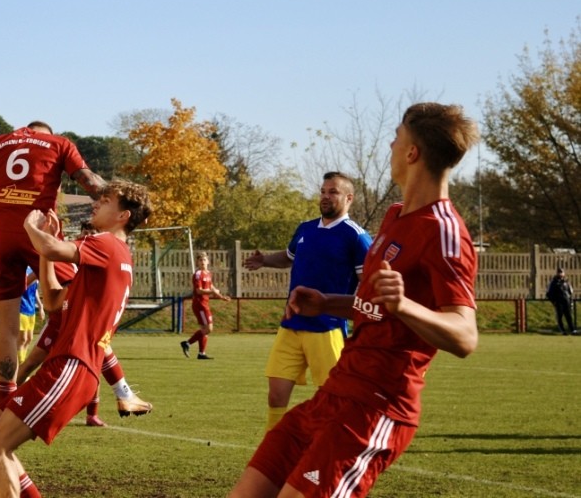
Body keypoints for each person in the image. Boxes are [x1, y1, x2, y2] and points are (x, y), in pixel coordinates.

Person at [227, 102, 481, 498]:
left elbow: (465, 336)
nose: (391, 145)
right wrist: (327, 303)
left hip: (374, 408)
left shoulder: (444, 230)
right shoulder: (395, 216)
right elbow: (377, 306)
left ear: (412, 153)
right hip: (333, 394)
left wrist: (404, 305)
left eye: (396, 138)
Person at [0, 179, 153, 498]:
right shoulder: (112, 255)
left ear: (123, 216)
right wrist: (46, 250)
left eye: (106, 200)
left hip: (72, 366)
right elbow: (53, 301)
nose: (97, 203)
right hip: (64, 365)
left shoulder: (107, 243)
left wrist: (30, 226)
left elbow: (51, 248)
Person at [0, 122, 106, 409]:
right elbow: (89, 181)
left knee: (6, 328)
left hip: (1, 238)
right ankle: (113, 385)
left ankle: (5, 402)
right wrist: (122, 200)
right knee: (86, 301)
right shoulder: (60, 144)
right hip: (39, 233)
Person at [243, 172, 372, 431]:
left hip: (327, 327)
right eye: (323, 191)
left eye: (333, 192)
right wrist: (265, 260)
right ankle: (273, 447)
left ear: (349, 198)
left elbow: (370, 284)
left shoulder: (356, 236)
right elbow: (288, 257)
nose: (325, 196)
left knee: (332, 397)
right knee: (276, 395)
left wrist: (363, 317)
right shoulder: (306, 229)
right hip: (291, 323)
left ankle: (333, 445)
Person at [16, 220, 153, 426]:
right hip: (62, 317)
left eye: (93, 232)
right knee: (33, 363)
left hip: (79, 314)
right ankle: (6, 398)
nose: (89, 236)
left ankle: (95, 412)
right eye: (86, 232)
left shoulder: (94, 253)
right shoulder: (66, 250)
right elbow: (41, 279)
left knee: (94, 357)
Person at [180, 252, 230, 360]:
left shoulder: (208, 273)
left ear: (208, 262)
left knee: (204, 329)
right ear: (197, 262)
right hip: (200, 304)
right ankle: (187, 343)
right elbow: (199, 291)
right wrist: (212, 292)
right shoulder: (198, 274)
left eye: (204, 260)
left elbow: (211, 286)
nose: (202, 262)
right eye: (200, 260)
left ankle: (201, 353)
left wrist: (221, 297)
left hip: (205, 303)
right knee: (208, 329)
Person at [18, 270, 41, 364]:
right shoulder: (22, 268)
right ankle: (20, 363)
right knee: (22, 339)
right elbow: (21, 286)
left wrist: (40, 306)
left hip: (31, 310)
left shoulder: (33, 269)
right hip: (21, 308)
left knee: (29, 338)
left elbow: (35, 291)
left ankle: (22, 360)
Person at [546, 266, 575, 335]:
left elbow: (570, 291)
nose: (560, 274)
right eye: (559, 272)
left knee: (569, 316)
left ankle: (572, 330)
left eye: (561, 272)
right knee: (560, 317)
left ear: (564, 273)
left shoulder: (566, 282)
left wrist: (570, 301)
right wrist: (554, 302)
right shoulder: (554, 282)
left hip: (566, 301)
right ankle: (562, 330)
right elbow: (549, 294)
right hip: (559, 302)